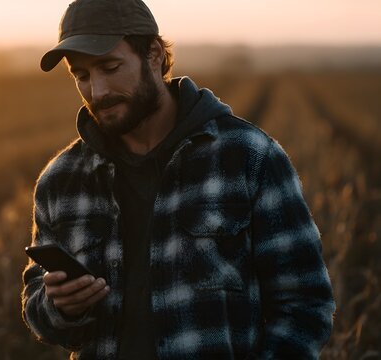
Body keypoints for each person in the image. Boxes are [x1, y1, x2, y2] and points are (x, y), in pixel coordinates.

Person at [21, 0, 336, 358]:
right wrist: (60, 307)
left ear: (154, 54)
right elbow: (37, 308)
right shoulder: (61, 181)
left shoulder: (249, 157)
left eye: (110, 67)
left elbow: (304, 303)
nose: (98, 91)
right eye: (82, 76)